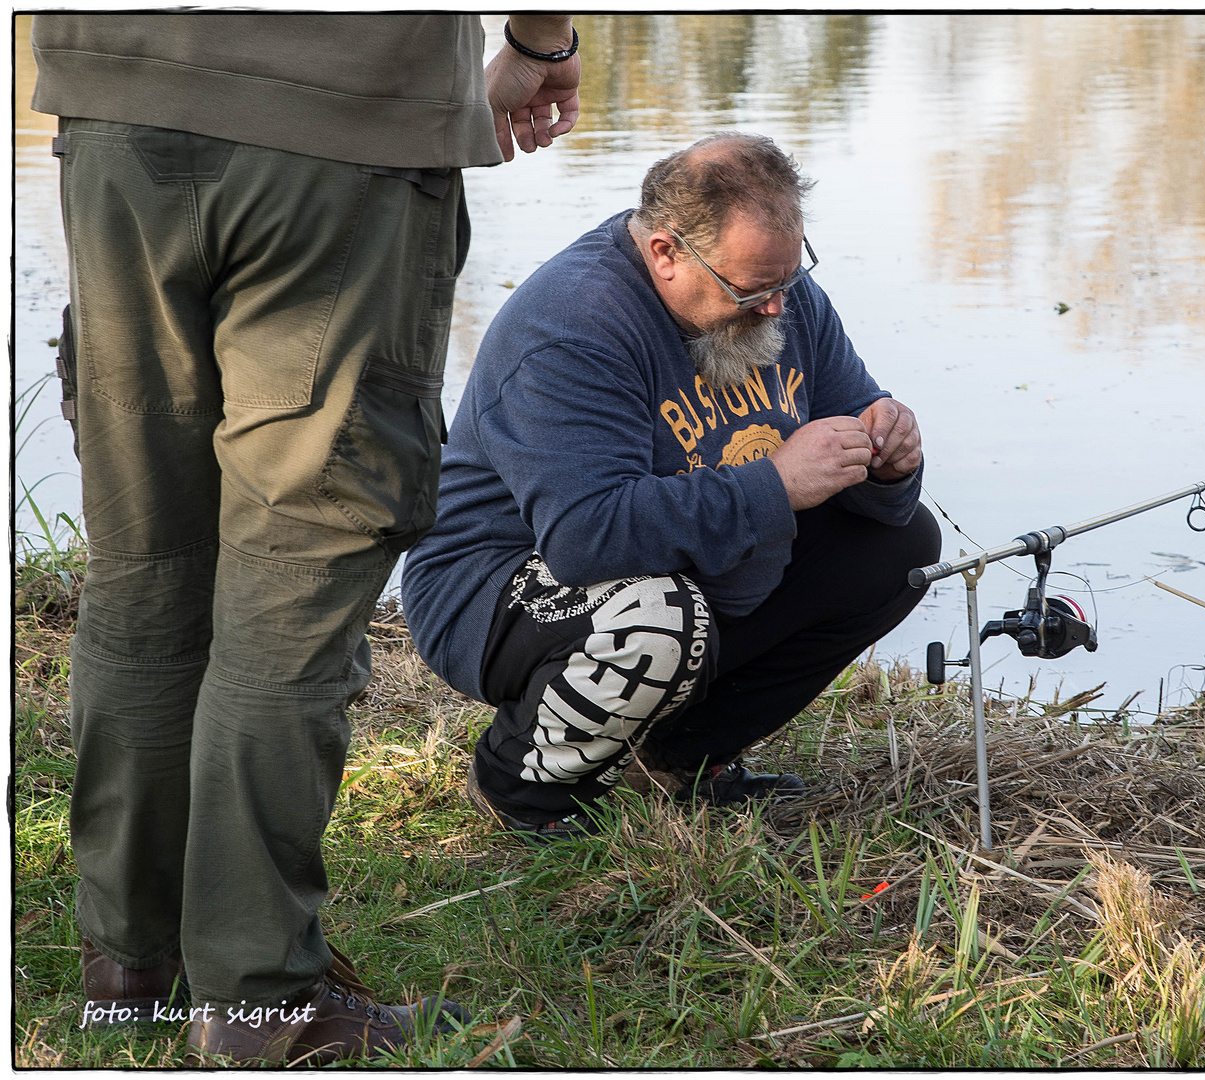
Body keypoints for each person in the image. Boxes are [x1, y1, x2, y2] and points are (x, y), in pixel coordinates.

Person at [31, 12, 581, 1064]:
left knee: (145, 564)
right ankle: (256, 1002)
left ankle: (131, 969)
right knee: (293, 580)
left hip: (114, 99)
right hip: (342, 121)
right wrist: (542, 42)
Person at [403, 132, 941, 843]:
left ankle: (679, 760)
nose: (778, 307)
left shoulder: (783, 294)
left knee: (901, 543)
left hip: (679, 575)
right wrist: (776, 484)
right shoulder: (574, 324)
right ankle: (520, 786)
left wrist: (890, 462)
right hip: (500, 583)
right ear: (666, 253)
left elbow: (855, 450)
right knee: (659, 617)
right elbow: (586, 537)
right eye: (750, 290)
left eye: (788, 279)